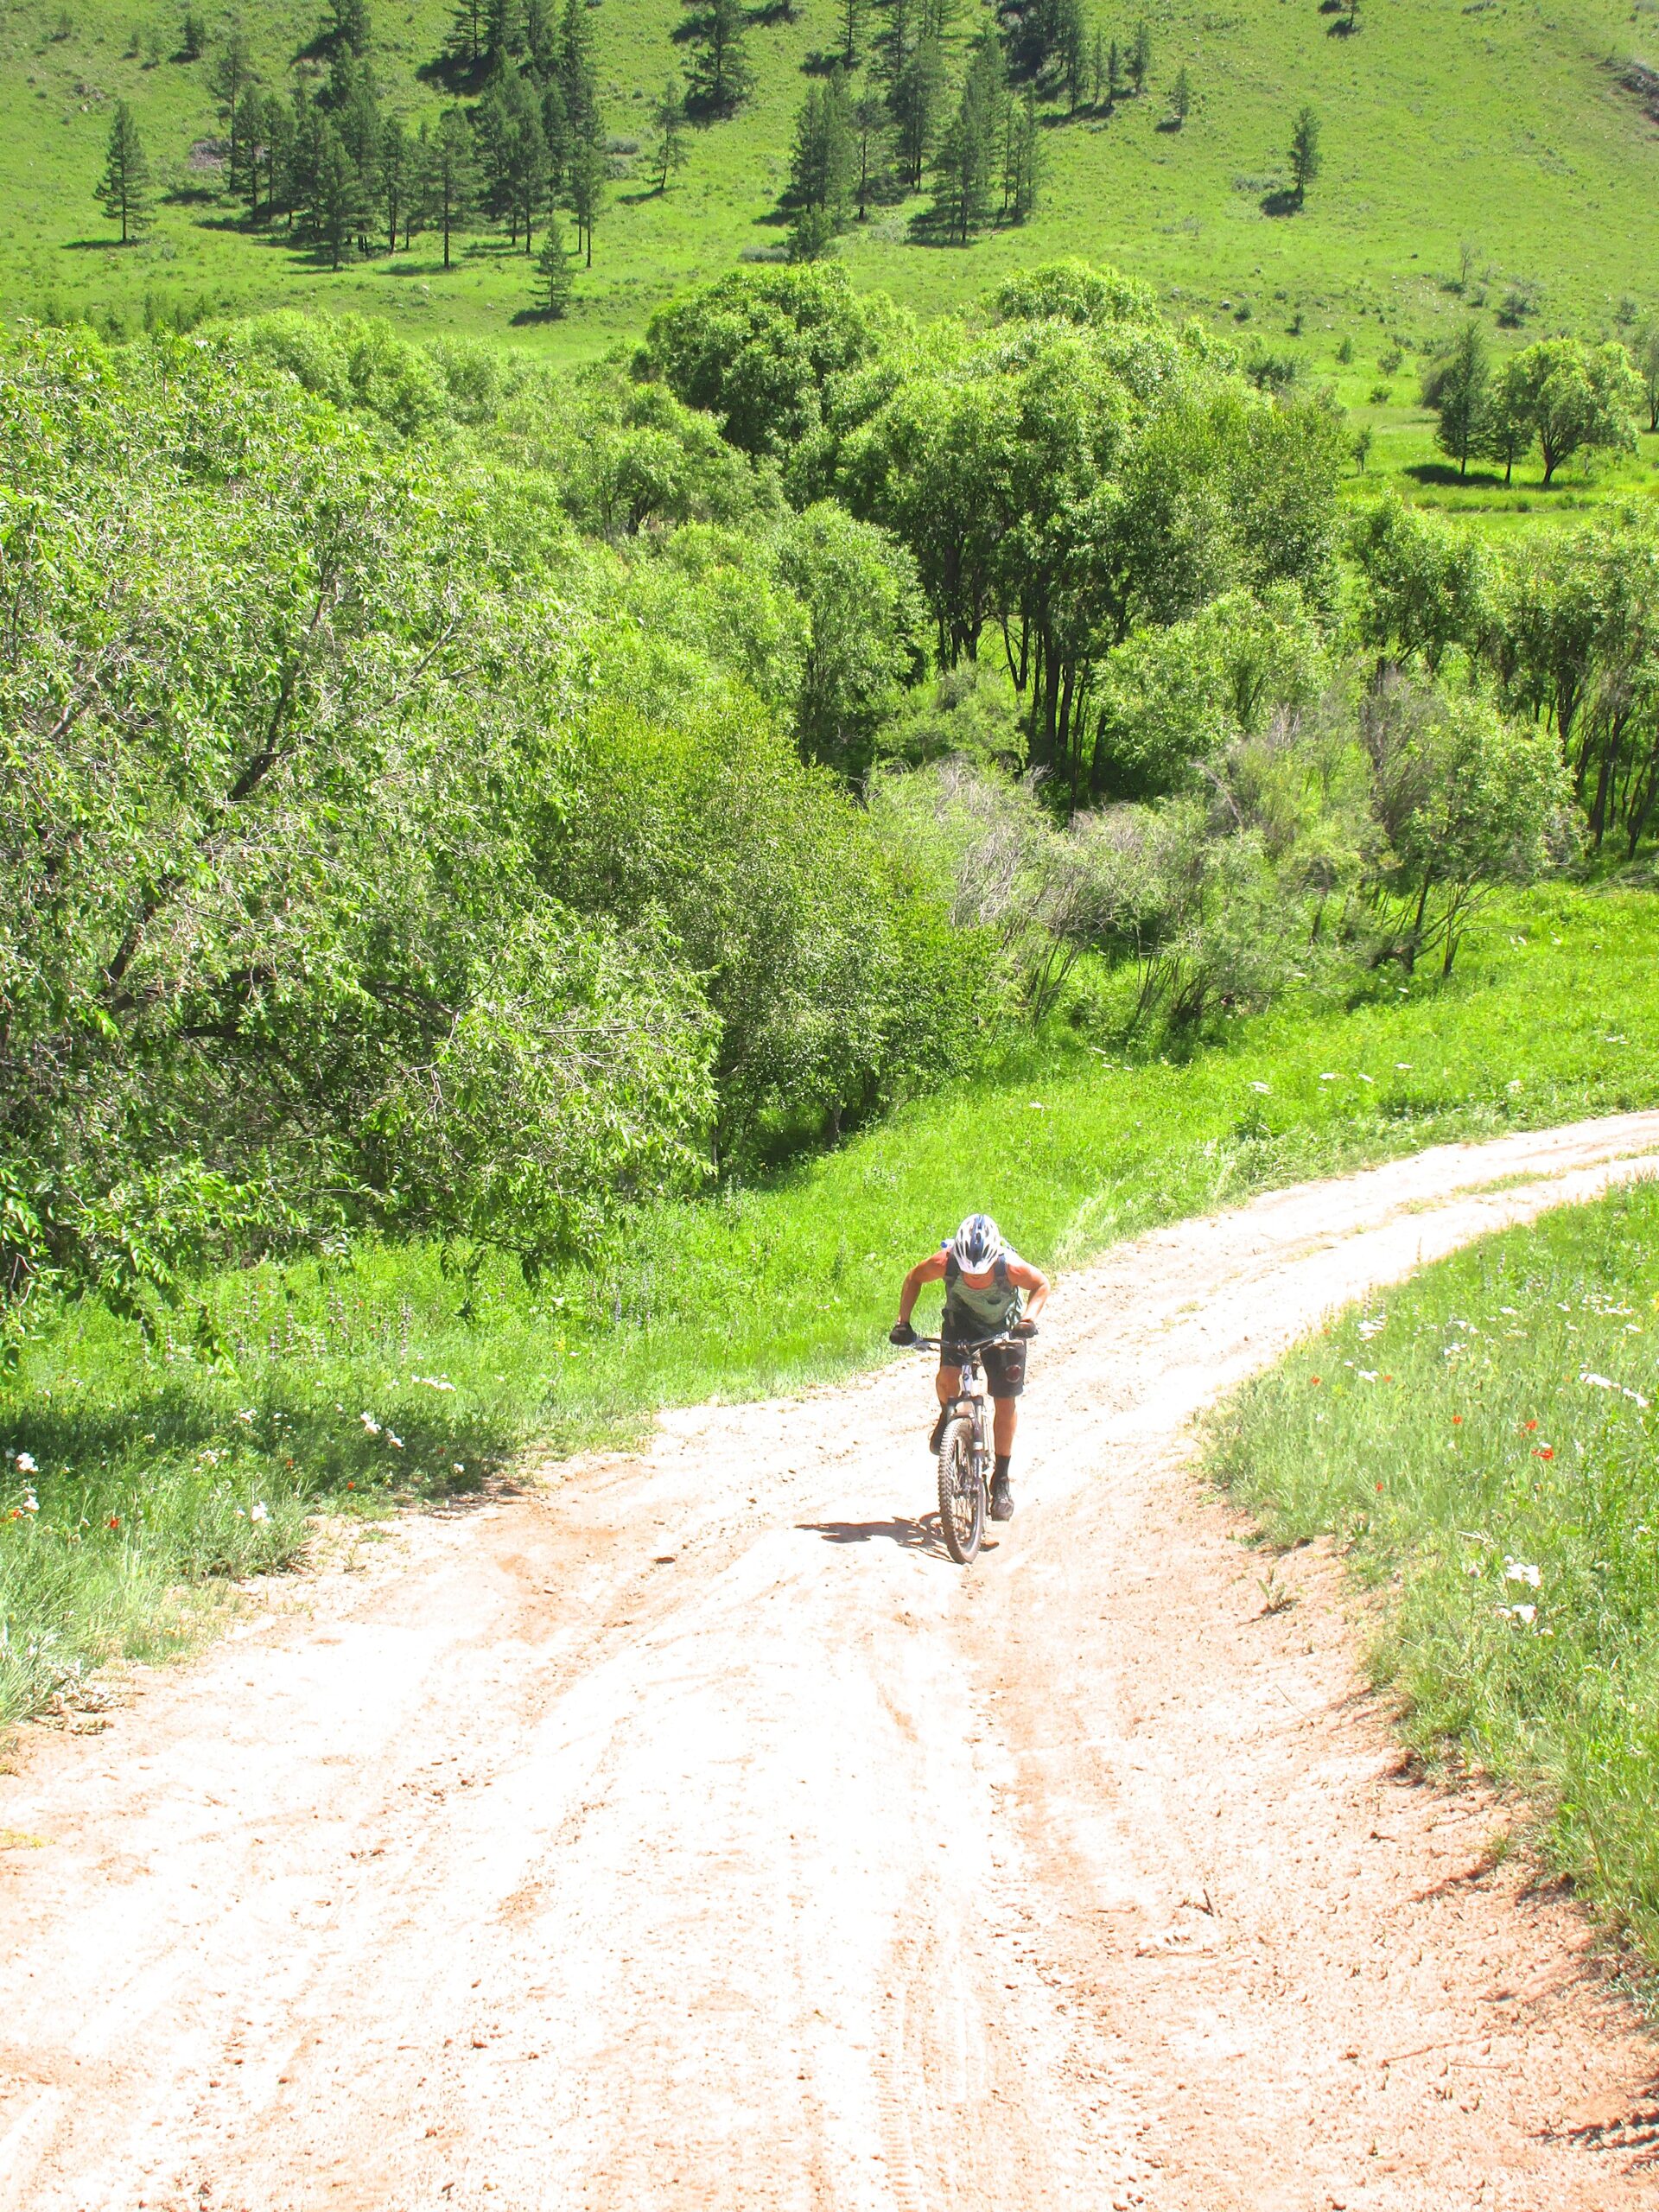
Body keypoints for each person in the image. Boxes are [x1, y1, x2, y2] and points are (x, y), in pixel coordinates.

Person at [888, 1213, 1048, 1522]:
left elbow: (1041, 1284)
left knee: (1005, 1401)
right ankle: (948, 1416)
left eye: (982, 1274)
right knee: (948, 1378)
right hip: (961, 1323)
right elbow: (914, 1278)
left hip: (1005, 1329)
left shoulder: (1011, 1267)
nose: (974, 1279)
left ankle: (1001, 1480)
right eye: (967, 1273)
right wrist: (903, 1323)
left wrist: (1028, 1320)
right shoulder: (944, 1262)